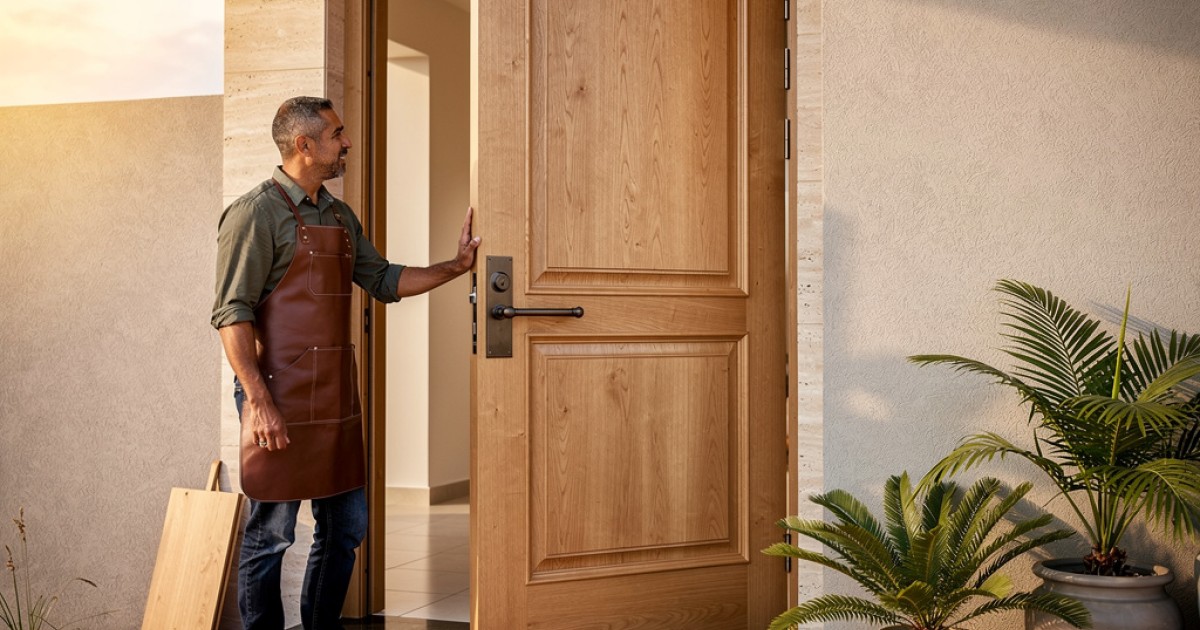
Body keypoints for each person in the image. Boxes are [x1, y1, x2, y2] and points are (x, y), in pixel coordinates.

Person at [211, 96, 479, 630]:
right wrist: (259, 404)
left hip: (335, 395)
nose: (347, 142)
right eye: (337, 134)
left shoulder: (338, 213)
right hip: (277, 396)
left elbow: (383, 279)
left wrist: (456, 266)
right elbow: (231, 315)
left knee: (346, 529)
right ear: (304, 145)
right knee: (272, 535)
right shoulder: (254, 214)